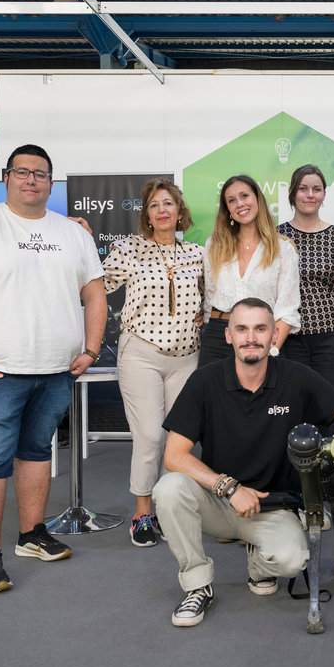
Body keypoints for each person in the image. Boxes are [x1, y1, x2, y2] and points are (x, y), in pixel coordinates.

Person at [0, 144, 107, 594]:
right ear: (7, 177)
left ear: (51, 183)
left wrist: (90, 350)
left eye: (41, 174)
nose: (32, 180)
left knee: (37, 451)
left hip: (56, 369)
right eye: (23, 172)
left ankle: (31, 535)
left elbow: (94, 295)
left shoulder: (74, 234)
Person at [152, 298, 334, 627]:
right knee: (168, 489)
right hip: (219, 501)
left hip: (271, 505)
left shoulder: (297, 377)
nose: (251, 337)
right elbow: (174, 456)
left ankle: (260, 563)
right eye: (242, 329)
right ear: (229, 336)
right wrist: (230, 487)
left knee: (292, 560)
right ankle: (197, 585)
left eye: (260, 328)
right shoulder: (204, 381)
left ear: (274, 334)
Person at [102, 178, 205, 547]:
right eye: (154, 205)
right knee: (149, 435)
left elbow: (213, 297)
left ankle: (165, 508)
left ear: (180, 211)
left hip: (186, 357)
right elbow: (95, 286)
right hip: (141, 353)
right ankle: (142, 514)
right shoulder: (128, 248)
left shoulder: (197, 253)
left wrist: (204, 315)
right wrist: (81, 242)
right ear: (147, 215)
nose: (162, 210)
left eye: (168, 204)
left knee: (178, 440)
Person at [199, 175, 299, 366]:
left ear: (258, 199)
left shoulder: (283, 249)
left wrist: (272, 349)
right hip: (218, 337)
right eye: (231, 200)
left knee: (260, 396)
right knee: (213, 395)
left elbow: (287, 310)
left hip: (261, 339)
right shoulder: (213, 245)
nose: (240, 204)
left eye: (245, 196)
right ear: (227, 209)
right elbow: (209, 297)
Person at [277, 164, 334, 395]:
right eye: (303, 189)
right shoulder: (275, 236)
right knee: (294, 399)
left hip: (332, 333)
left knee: (331, 399)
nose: (310, 195)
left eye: (316, 189)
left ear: (323, 194)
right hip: (289, 334)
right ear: (292, 192)